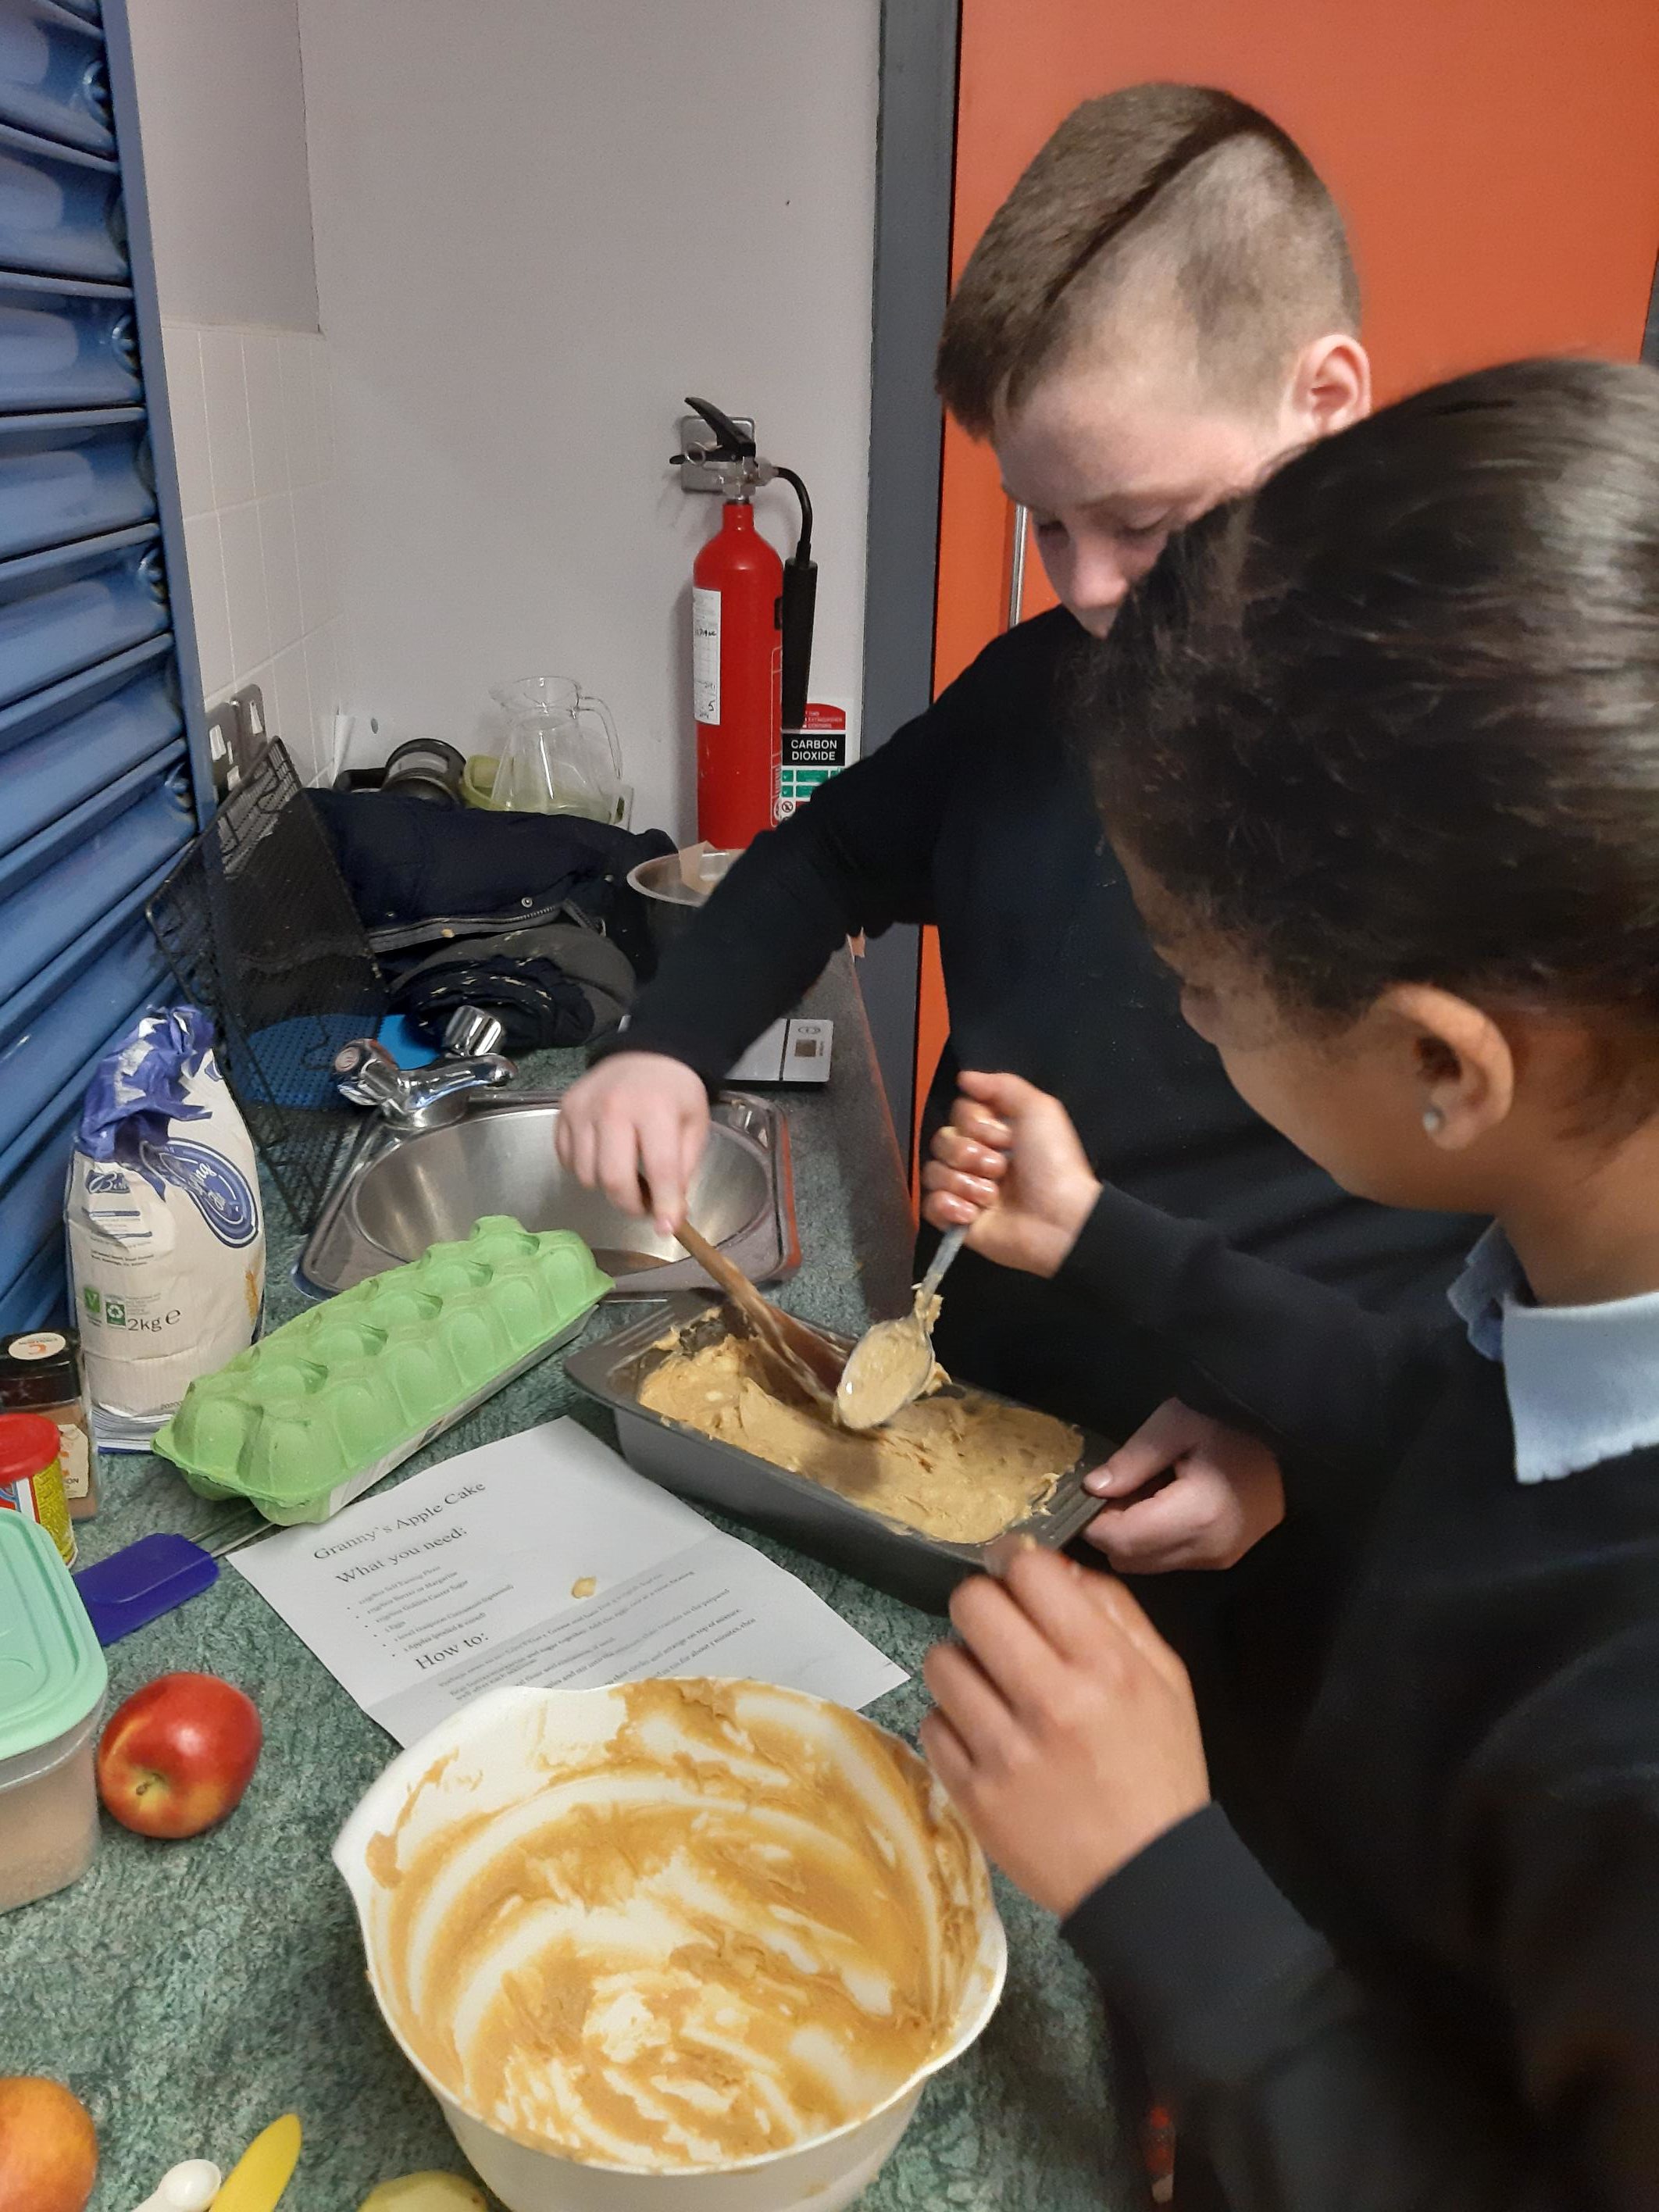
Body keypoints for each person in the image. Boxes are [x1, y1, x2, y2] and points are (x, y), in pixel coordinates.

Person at [920, 357, 1659, 2210]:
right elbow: (1446, 1415)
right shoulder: (1578, 1283)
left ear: (1442, 1064)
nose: (1179, 1020)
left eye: (1200, 984)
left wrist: (1163, 1883)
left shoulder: (1627, 1752)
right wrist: (1101, 1234)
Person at [557, 83, 1474, 1447]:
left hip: (1272, 1451)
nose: (1088, 592)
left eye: (1143, 523)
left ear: (1325, 399)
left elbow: (1522, 1253)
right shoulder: (1038, 689)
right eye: (1047, 526)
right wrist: (670, 1049)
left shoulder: (1485, 757)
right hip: (969, 1386)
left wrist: (1292, 1457)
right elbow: (826, 854)